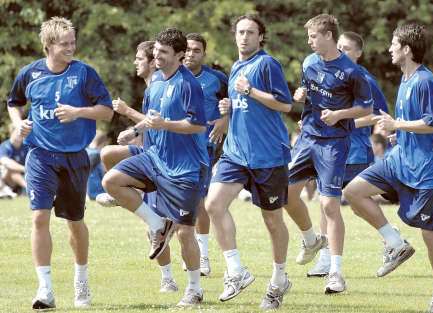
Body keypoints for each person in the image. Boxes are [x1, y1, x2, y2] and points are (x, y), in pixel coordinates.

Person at [6, 17, 113, 310]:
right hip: (39, 155)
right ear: (49, 45)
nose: (71, 47)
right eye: (65, 44)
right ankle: (45, 290)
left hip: (75, 157)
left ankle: (81, 281)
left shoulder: (84, 74)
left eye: (73, 42)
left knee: (74, 222)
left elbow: (106, 112)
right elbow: (13, 102)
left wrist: (78, 112)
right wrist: (20, 125)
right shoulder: (30, 73)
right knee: (39, 218)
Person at [344, 24, 433, 313]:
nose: (389, 48)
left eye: (393, 44)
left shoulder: (424, 81)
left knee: (430, 234)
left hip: (428, 169)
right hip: (400, 160)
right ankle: (395, 243)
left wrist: (397, 125)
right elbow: (413, 125)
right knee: (354, 192)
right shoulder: (406, 79)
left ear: (406, 49)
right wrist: (398, 133)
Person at [102, 28, 209, 307]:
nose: (156, 56)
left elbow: (198, 125)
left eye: (163, 52)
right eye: (156, 52)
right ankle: (158, 224)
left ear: (180, 55)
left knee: (186, 232)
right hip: (155, 159)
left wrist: (165, 125)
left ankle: (195, 289)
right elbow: (151, 117)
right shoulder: (157, 82)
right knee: (111, 181)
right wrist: (133, 130)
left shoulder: (189, 85)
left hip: (186, 169)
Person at [205, 14, 293, 310]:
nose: (244, 37)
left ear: (260, 37)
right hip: (236, 152)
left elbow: (285, 104)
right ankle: (236, 271)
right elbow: (243, 106)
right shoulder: (235, 67)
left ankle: (279, 279)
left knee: (272, 221)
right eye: (240, 32)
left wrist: (250, 91)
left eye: (250, 32)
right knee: (213, 204)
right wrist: (228, 107)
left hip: (268, 155)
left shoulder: (267, 64)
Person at [286, 14, 373, 293]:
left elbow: (366, 109)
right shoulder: (309, 62)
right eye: (309, 37)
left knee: (329, 206)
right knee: (285, 194)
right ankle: (311, 240)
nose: (309, 41)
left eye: (313, 36)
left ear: (328, 36)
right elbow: (309, 95)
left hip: (334, 143)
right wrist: (301, 97)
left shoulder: (352, 72)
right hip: (307, 138)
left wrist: (339, 115)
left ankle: (335, 273)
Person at [96, 40, 180, 293]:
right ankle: (123, 196)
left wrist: (128, 113)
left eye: (139, 58)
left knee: (159, 227)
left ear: (153, 62)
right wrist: (134, 132)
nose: (135, 62)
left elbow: (158, 122)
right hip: (149, 152)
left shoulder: (160, 84)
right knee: (109, 154)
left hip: (165, 159)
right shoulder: (150, 87)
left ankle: (171, 279)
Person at [306, 31, 389, 277]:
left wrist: (346, 122)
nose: (341, 52)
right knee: (326, 202)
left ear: (359, 53)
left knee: (354, 202)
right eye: (339, 47)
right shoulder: (328, 76)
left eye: (347, 48)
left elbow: (379, 114)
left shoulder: (364, 78)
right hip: (330, 149)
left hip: (354, 151)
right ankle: (325, 259)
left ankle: (392, 240)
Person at [183, 32, 229, 276]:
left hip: (203, 148)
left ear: (204, 53)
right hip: (174, 148)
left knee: (199, 200)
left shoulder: (217, 79)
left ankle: (202, 256)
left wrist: (225, 119)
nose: (191, 54)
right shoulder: (169, 76)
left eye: (196, 50)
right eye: (188, 49)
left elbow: (234, 104)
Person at [0, 125, 28, 196]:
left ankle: (27, 189)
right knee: (8, 168)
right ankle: (29, 188)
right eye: (17, 132)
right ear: (11, 133)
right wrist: (25, 169)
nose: (19, 135)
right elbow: (5, 162)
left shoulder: (25, 146)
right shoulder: (4, 146)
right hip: (6, 178)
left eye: (21, 132)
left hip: (22, 177)